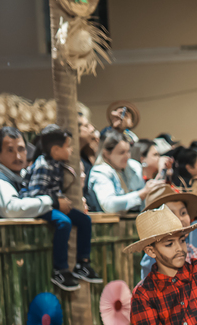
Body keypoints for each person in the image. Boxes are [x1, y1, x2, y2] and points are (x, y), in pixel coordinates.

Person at [20, 125, 100, 292]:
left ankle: (83, 263)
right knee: (64, 223)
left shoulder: (56, 164)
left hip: (53, 204)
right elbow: (35, 193)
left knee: (84, 220)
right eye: (68, 146)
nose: (71, 150)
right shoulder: (43, 164)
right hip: (41, 207)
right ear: (56, 150)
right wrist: (57, 201)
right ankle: (60, 270)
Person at [89, 128, 154, 214]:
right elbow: (109, 205)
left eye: (128, 151)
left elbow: (144, 204)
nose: (127, 156)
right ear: (106, 154)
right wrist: (140, 194)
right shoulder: (100, 171)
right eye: (122, 152)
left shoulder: (134, 166)